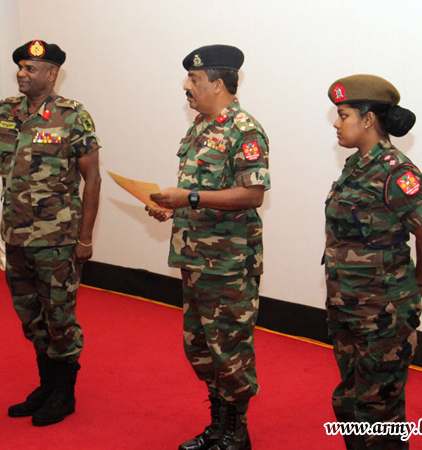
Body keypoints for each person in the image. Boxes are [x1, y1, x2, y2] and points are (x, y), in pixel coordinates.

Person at [0, 39, 101, 426]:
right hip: (15, 236)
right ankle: (47, 385)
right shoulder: (7, 113)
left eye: (31, 68)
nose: (22, 73)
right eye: (19, 66)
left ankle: (64, 393)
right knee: (31, 318)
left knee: (60, 317)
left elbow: (92, 179)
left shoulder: (73, 116)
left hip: (58, 240)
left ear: (52, 74)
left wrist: (84, 238)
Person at [148, 45, 269, 450]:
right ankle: (217, 427)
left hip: (229, 265)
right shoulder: (199, 127)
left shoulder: (245, 130)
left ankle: (237, 434)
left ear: (218, 83)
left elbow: (252, 194)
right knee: (200, 348)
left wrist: (191, 198)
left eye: (194, 79)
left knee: (229, 349)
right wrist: (172, 208)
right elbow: (198, 192)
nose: (187, 86)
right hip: (194, 259)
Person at [324, 74, 422, 449]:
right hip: (349, 308)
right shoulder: (355, 167)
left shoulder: (396, 171)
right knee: (350, 400)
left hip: (384, 313)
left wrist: (417, 285)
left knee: (379, 411)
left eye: (343, 115)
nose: (337, 123)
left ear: (369, 119)